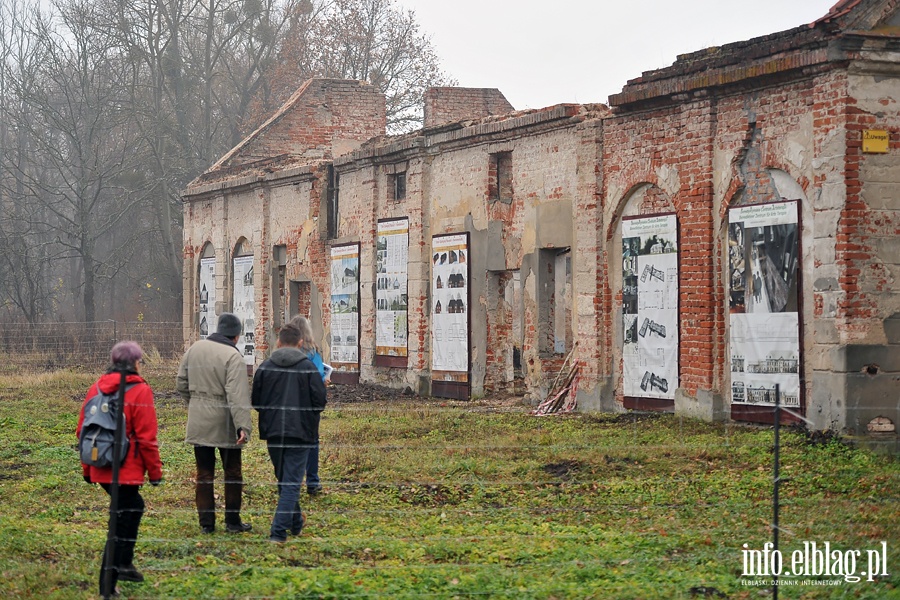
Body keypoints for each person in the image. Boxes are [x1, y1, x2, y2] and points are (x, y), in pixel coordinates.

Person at [77, 341, 163, 593]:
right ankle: (109, 583)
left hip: (100, 463)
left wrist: (87, 469)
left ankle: (124, 564)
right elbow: (147, 438)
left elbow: (83, 431)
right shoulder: (140, 390)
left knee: (130, 509)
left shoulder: (96, 387)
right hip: (125, 467)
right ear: (136, 363)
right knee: (121, 522)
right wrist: (155, 473)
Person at [177, 312, 253, 534]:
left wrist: (195, 403)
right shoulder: (233, 357)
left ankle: (206, 525)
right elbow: (237, 395)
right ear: (236, 336)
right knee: (232, 472)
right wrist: (243, 427)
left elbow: (181, 382)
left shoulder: (195, 349)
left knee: (204, 473)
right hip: (225, 422)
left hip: (199, 419)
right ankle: (232, 522)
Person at [252, 323, 327, 542]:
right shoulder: (308, 368)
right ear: (300, 343)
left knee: (285, 479)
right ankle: (278, 533)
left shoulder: (265, 367)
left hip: (273, 431)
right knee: (290, 482)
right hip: (302, 432)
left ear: (278, 341)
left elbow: (256, 401)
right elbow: (319, 401)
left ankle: (294, 523)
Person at [289, 315, 327, 495]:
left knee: (290, 441)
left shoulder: (284, 353)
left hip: (288, 402)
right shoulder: (312, 352)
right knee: (312, 440)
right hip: (308, 404)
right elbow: (318, 376)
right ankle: (312, 481)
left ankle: (289, 481)